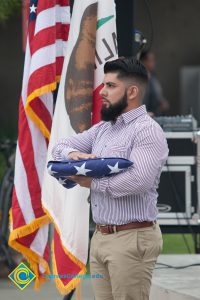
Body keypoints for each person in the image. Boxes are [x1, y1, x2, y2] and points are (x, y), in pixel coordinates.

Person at [52, 57, 169, 300]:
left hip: (132, 238)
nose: (102, 92)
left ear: (132, 91)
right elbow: (59, 146)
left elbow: (139, 180)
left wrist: (92, 182)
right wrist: (74, 154)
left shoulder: (147, 130)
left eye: (110, 86)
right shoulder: (104, 128)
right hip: (101, 237)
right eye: (103, 85)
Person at [140, 50, 169, 116]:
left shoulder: (153, 78)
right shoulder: (139, 79)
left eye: (153, 60)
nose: (153, 63)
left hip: (154, 115)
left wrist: (162, 101)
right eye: (150, 60)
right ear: (143, 61)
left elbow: (157, 95)